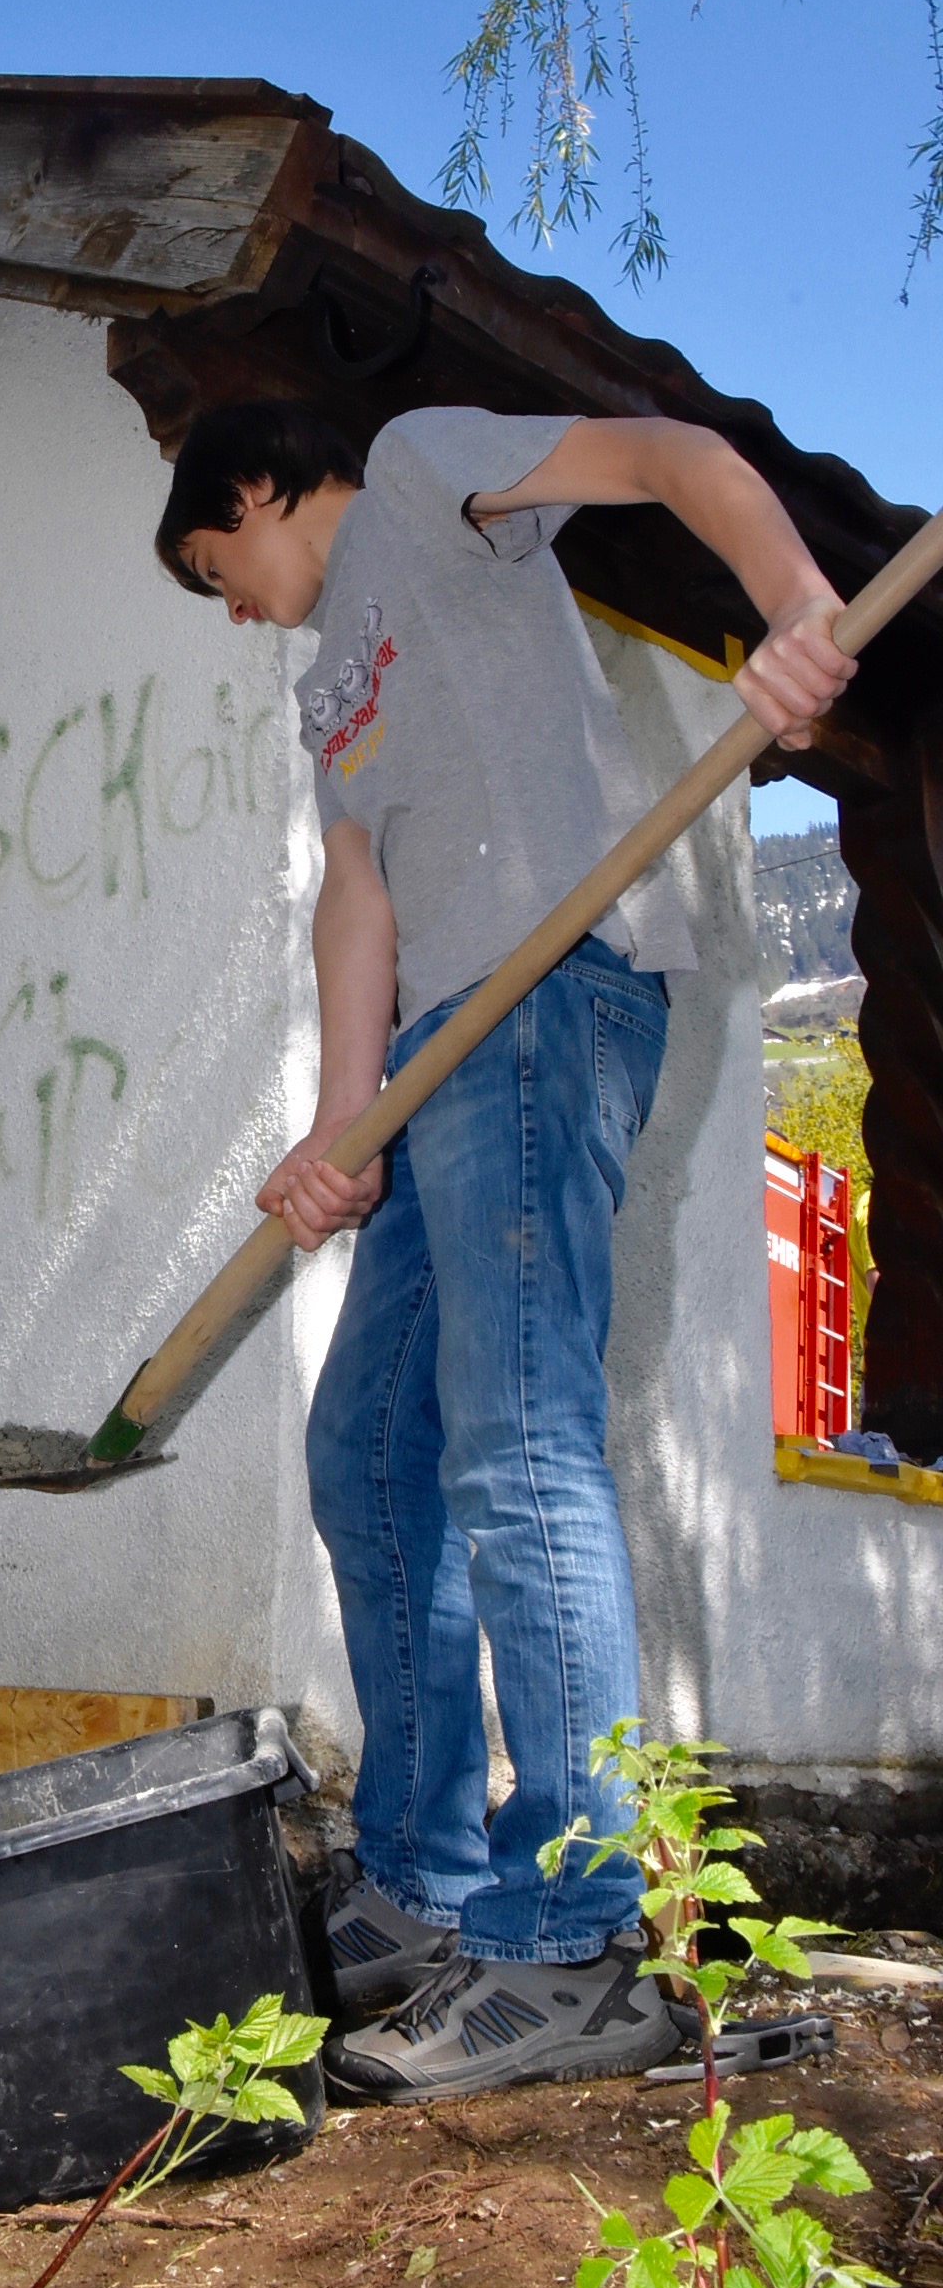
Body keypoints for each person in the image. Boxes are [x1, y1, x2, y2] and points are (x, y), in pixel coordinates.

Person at [156, 401, 851, 2101]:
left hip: (549, 998)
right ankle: (424, 1879)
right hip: (437, 1054)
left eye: (211, 564)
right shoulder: (326, 691)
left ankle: (573, 1941)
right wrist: (345, 1124)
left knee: (519, 1442)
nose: (229, 606)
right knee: (366, 1447)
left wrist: (796, 606)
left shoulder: (413, 472)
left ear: (255, 485)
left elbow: (668, 458)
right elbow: (357, 894)